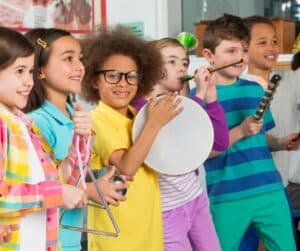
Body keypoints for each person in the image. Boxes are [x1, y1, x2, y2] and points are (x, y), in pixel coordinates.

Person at [190, 14, 298, 251]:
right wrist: (239, 130)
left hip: (270, 189)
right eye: (231, 51)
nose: (240, 58)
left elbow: (260, 137)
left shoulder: (254, 90)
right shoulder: (195, 99)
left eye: (244, 50)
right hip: (226, 195)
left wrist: (281, 142)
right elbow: (200, 153)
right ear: (208, 56)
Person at [23, 28, 127, 251]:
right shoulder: (36, 122)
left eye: (80, 58)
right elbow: (37, 187)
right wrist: (91, 190)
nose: (79, 67)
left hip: (72, 241)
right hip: (47, 242)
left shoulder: (76, 114)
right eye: (68, 58)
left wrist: (102, 177)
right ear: (40, 70)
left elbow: (77, 172)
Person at [81, 25, 183, 251]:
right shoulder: (97, 119)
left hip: (147, 228)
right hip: (116, 237)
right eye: (112, 75)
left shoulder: (139, 117)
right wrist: (154, 123)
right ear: (93, 80)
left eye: (131, 76)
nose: (123, 83)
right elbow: (126, 169)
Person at [131, 37, 228, 251]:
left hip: (196, 199)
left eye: (184, 62)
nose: (182, 67)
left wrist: (211, 98)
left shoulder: (182, 103)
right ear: (151, 66)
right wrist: (199, 95)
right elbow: (168, 145)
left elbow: (220, 143)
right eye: (172, 62)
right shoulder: (138, 107)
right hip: (165, 210)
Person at [0, 27, 88, 251]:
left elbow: (66, 180)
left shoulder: (23, 125)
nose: (28, 81)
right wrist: (56, 194)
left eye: (29, 71)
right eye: (19, 71)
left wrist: (81, 141)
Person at [238, 15, 300, 250]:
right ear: (244, 48)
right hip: (242, 191)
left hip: (277, 186)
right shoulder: (234, 84)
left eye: (274, 41)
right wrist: (278, 142)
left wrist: (285, 142)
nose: (272, 48)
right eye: (262, 42)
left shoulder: (289, 81)